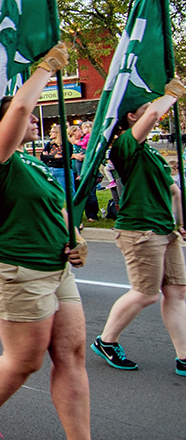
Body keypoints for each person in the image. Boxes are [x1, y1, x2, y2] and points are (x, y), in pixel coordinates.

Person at [0, 43, 90, 440]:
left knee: (71, 353)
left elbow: (58, 209)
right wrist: (45, 68)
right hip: (16, 269)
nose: (33, 115)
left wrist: (77, 239)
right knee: (25, 361)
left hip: (56, 267)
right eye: (24, 113)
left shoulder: (31, 161)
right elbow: (17, 109)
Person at [91, 77, 186, 376]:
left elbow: (174, 191)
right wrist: (171, 94)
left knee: (177, 291)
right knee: (145, 293)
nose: (152, 112)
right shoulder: (124, 146)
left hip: (164, 229)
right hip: (140, 229)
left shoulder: (152, 153)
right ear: (132, 116)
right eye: (145, 108)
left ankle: (184, 356)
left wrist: (180, 224)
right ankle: (107, 341)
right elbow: (155, 114)